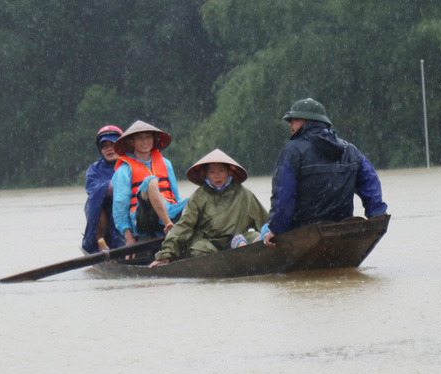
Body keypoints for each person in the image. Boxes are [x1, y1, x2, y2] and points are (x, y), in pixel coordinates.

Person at [262, 98, 388, 247]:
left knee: (264, 231)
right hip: (342, 232)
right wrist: (376, 216)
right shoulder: (350, 150)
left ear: (308, 121)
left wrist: (277, 229)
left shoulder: (293, 150)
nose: (290, 124)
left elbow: (284, 195)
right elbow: (370, 182)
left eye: (294, 119)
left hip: (303, 235)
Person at [149, 149, 268, 268]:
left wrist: (275, 235)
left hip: (238, 241)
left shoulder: (244, 194)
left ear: (229, 172)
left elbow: (266, 221)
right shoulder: (199, 196)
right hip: (208, 244)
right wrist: (166, 254)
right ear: (206, 174)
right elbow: (184, 226)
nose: (217, 176)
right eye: (212, 172)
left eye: (221, 171)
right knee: (199, 249)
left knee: (256, 237)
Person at [111, 120, 187, 246]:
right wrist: (128, 236)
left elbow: (175, 195)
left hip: (169, 210)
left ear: (153, 139)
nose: (144, 142)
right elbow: (120, 205)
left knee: (195, 200)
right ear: (132, 142)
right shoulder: (124, 170)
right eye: (139, 138)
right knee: (151, 181)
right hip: (144, 218)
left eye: (148, 137)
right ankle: (169, 228)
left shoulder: (166, 163)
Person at [82, 125, 126, 254]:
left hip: (128, 209)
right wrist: (118, 183)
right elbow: (94, 192)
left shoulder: (131, 163)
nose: (109, 149)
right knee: (93, 202)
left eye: (113, 144)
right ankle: (101, 243)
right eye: (105, 146)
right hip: (105, 213)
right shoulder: (93, 170)